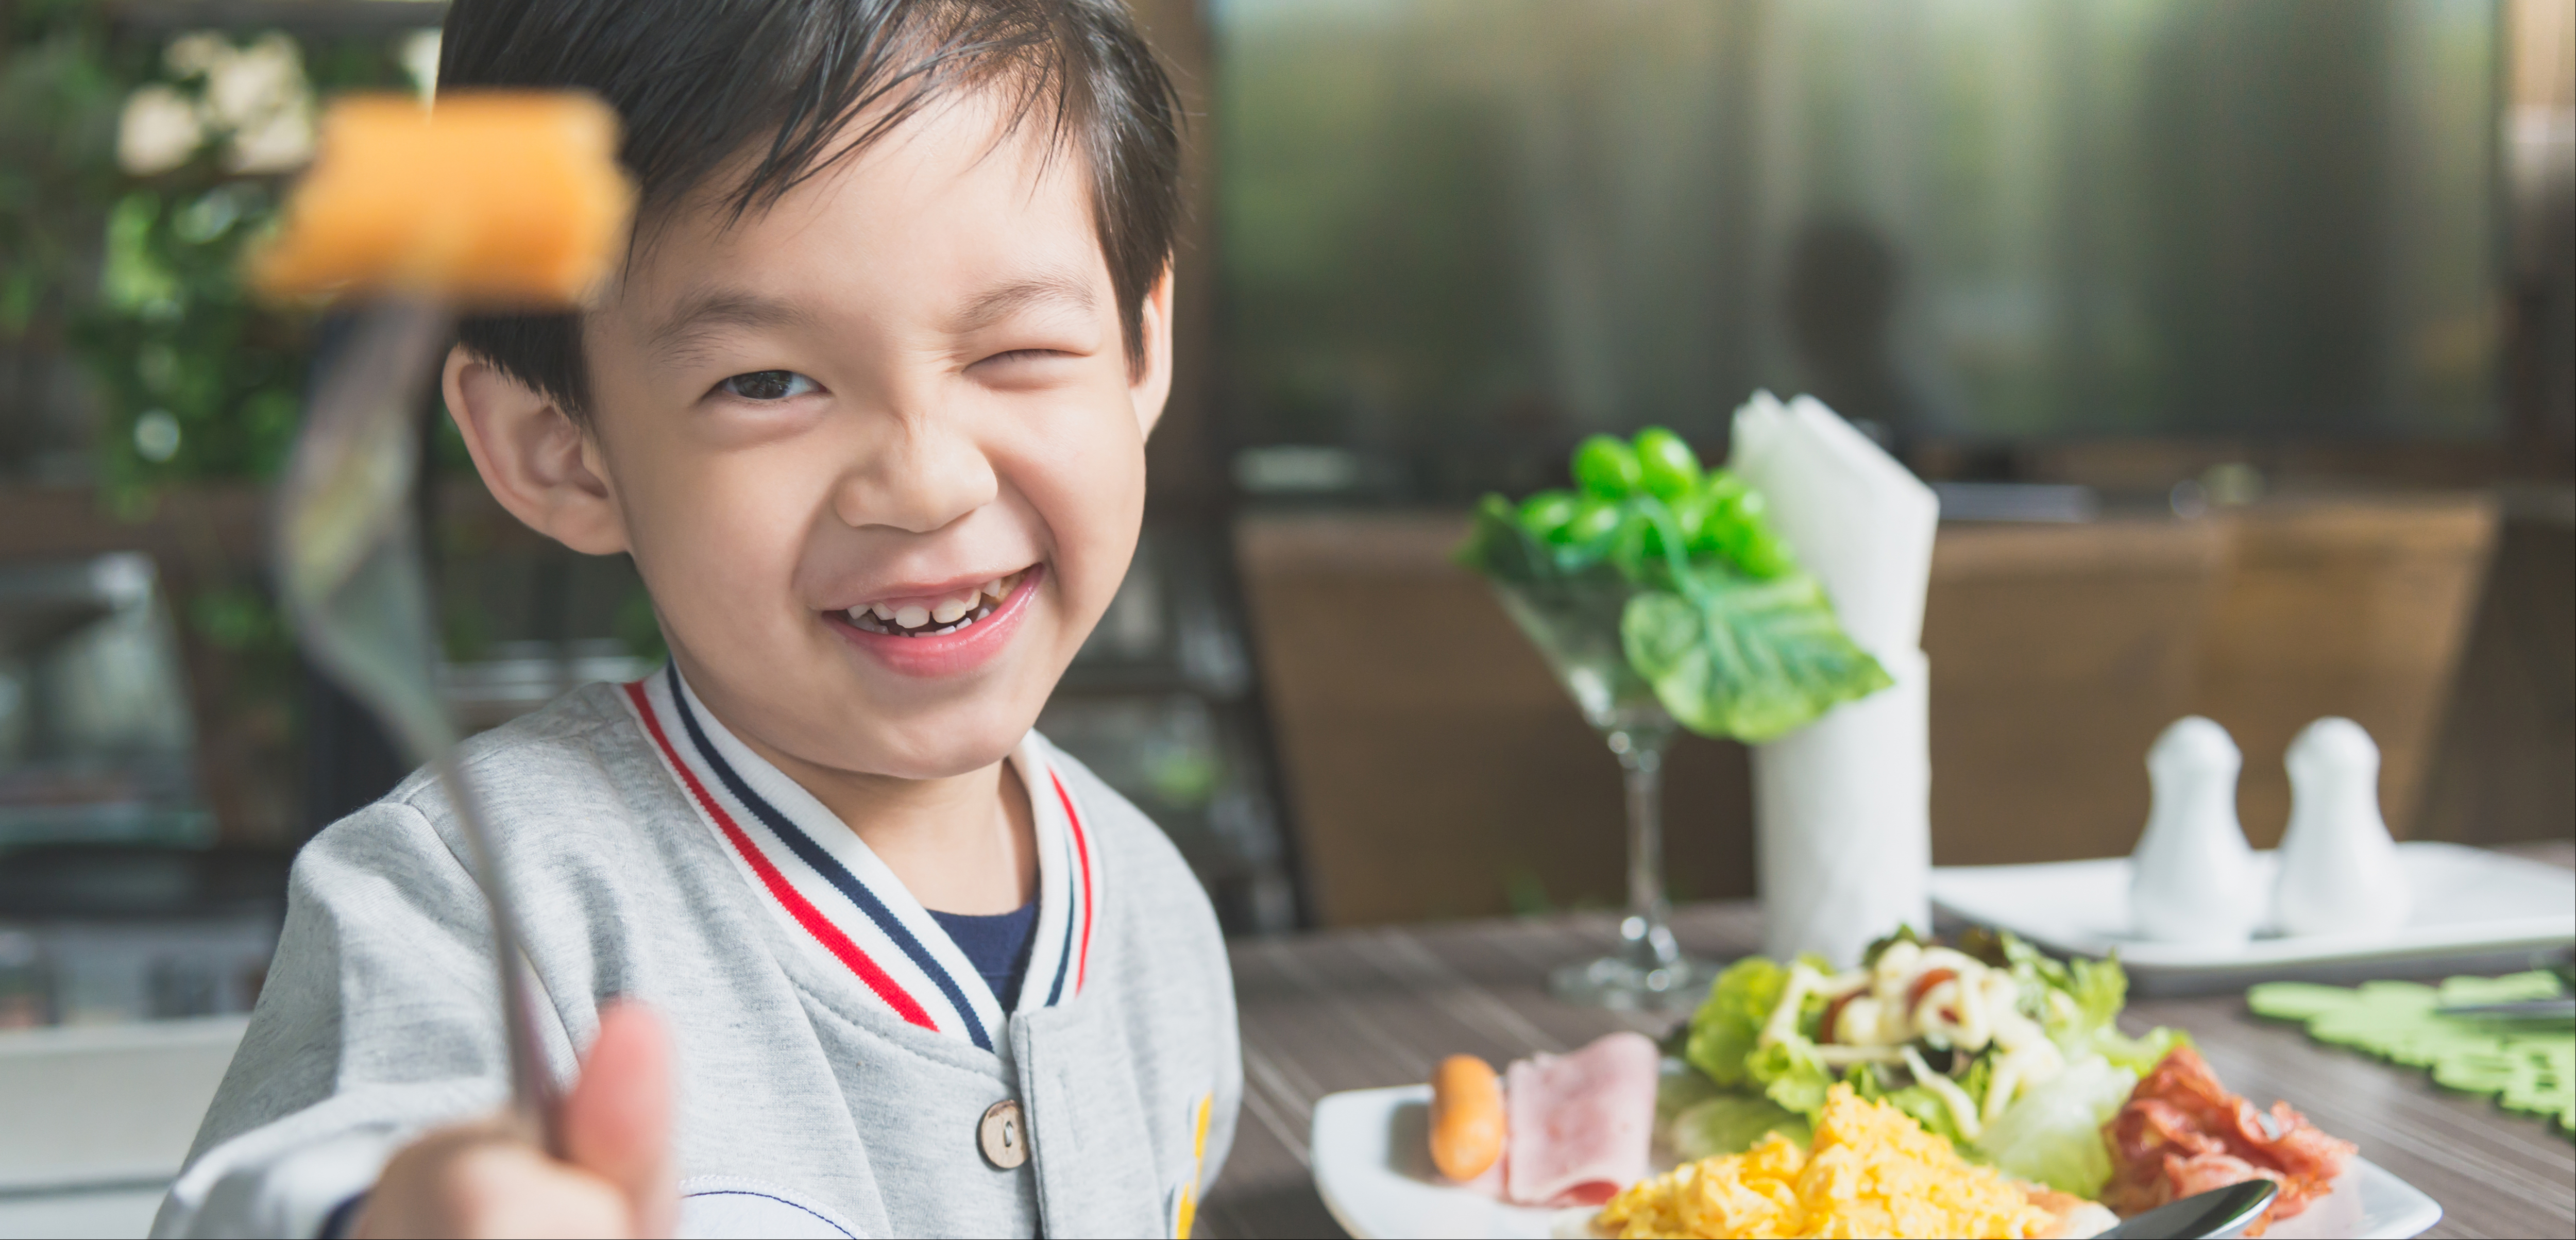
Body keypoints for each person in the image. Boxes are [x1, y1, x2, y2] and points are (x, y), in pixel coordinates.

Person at [151, 2, 1238, 1236]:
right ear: (559, 451)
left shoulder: (1154, 911)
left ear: (1141, 344)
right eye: (768, 382)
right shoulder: (466, 900)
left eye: (1020, 350)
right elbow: (281, 1188)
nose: (929, 479)